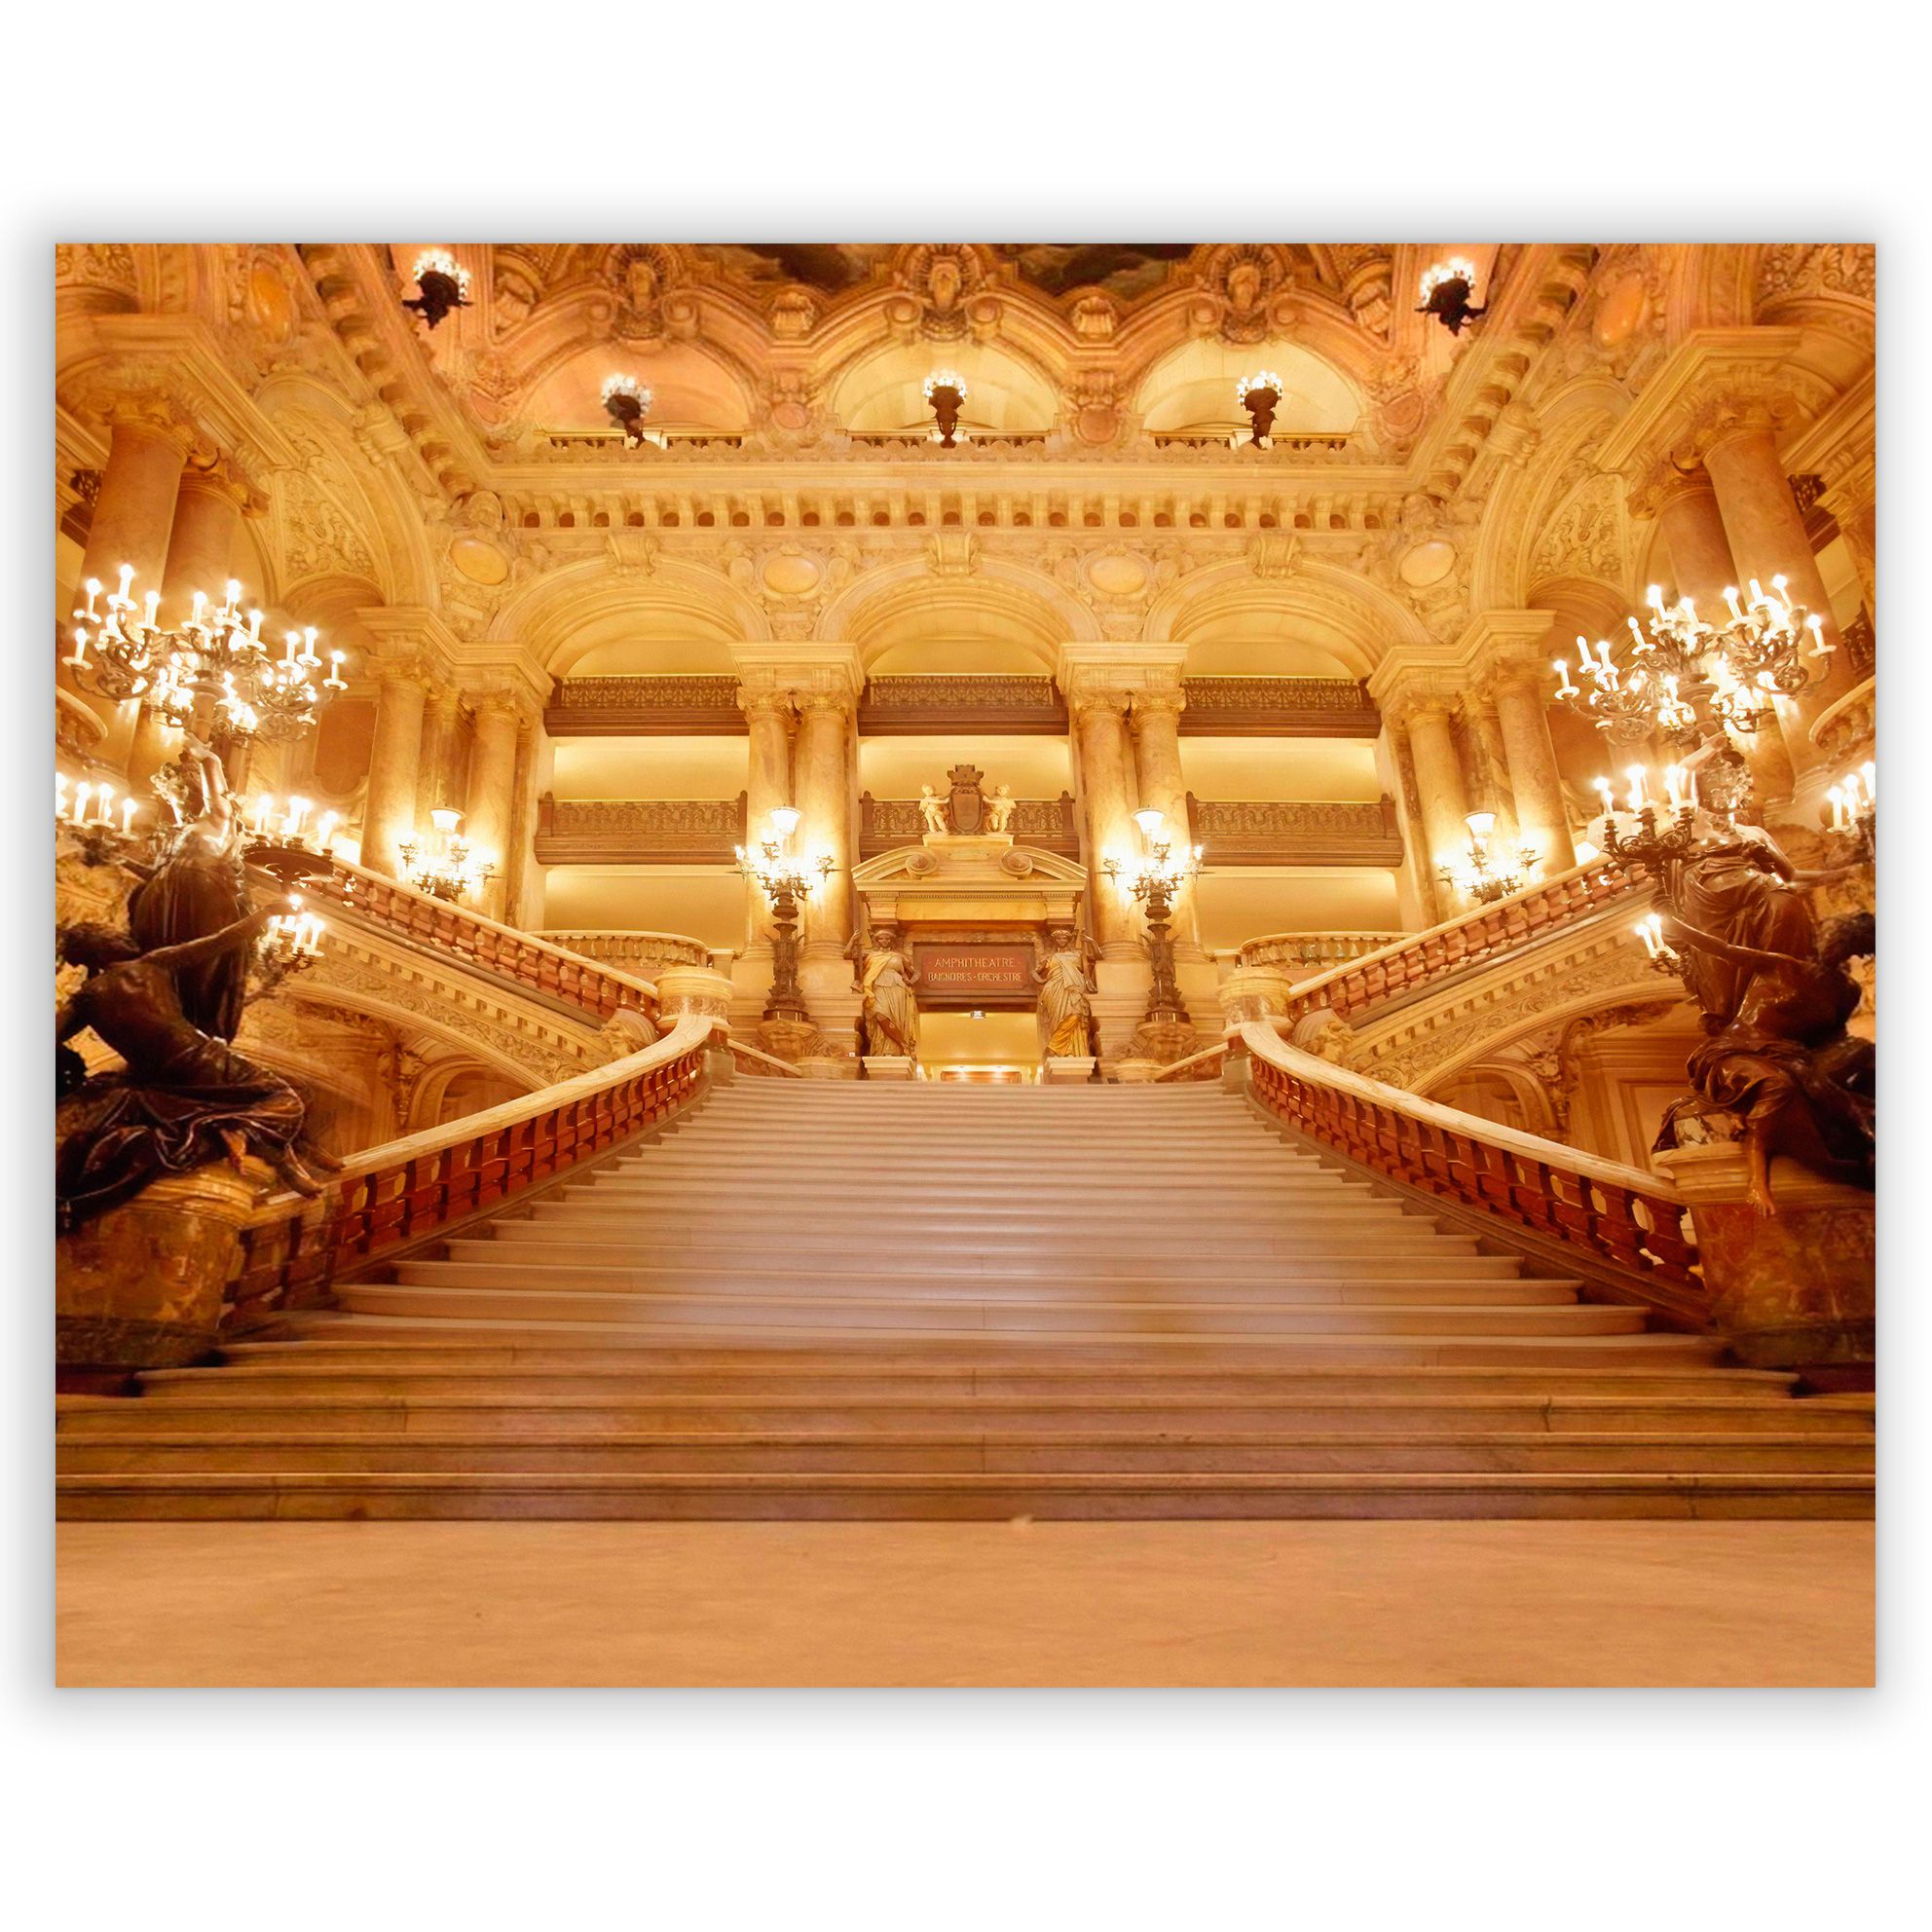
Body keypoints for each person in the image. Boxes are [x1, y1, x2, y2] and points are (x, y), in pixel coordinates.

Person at [56, 904, 339, 1231]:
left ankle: (282, 1156)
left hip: (159, 1078)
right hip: (202, 1060)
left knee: (261, 1100)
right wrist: (266, 914)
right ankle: (235, 1129)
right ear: (101, 946)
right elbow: (220, 941)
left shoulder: (85, 1000)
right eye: (110, 934)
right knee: (287, 1099)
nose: (120, 936)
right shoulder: (150, 964)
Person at [126, 739, 251, 1041]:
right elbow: (156, 872)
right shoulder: (180, 833)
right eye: (170, 796)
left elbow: (215, 795)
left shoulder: (217, 819)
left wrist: (208, 759)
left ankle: (198, 1021)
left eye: (180, 793)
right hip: (167, 898)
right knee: (166, 958)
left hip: (201, 895)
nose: (175, 803)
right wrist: (119, 860)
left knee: (199, 962)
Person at [845, 924, 920, 1058]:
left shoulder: (898, 956)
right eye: (881, 938)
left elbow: (916, 973)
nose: (884, 941)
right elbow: (847, 955)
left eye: (887, 938)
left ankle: (896, 1049)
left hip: (897, 988)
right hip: (878, 988)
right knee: (880, 1014)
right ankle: (900, 1044)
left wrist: (910, 981)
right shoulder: (872, 956)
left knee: (895, 1019)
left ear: (891, 941)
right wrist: (852, 941)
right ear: (877, 941)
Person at [1034, 927, 1096, 1058]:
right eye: (1058, 938)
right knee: (1058, 1018)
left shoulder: (1077, 955)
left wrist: (1090, 942)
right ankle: (1065, 1050)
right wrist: (1043, 980)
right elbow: (1035, 972)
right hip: (1055, 989)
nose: (1061, 940)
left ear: (1068, 940)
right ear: (1055, 941)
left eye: (1064, 938)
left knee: (1076, 1014)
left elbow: (1096, 957)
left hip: (1074, 989)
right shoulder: (1051, 958)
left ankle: (1054, 1046)